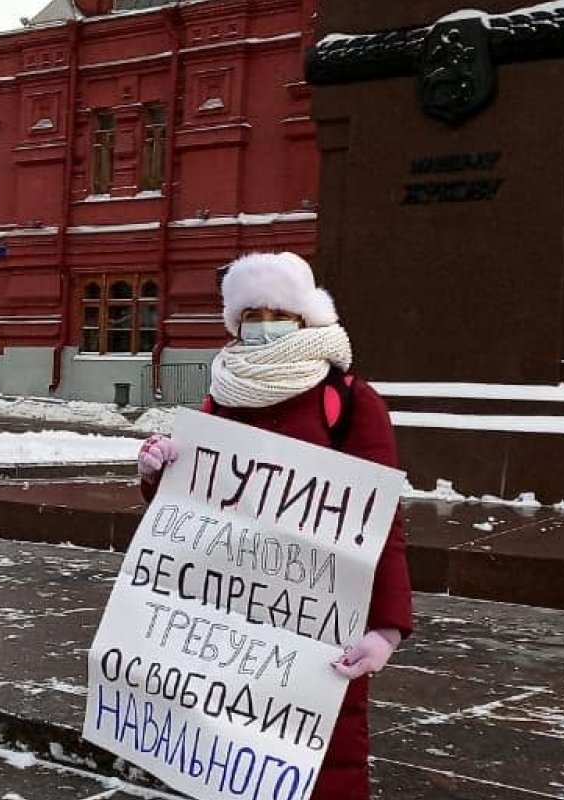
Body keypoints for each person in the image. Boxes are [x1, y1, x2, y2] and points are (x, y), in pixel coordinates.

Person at [134, 252, 412, 800]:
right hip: (233, 622)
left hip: (317, 621)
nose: (264, 325)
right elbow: (191, 507)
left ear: (305, 317)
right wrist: (158, 473)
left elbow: (381, 521)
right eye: (251, 315)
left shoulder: (350, 401)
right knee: (229, 759)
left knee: (323, 762)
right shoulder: (221, 398)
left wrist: (387, 627)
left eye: (277, 313)